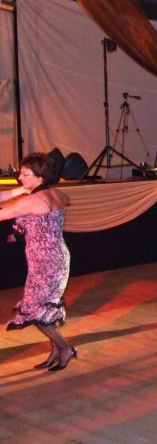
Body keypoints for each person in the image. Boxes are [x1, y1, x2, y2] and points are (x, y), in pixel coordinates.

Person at [0, 153, 76, 371]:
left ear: (39, 175)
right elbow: (45, 215)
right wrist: (21, 190)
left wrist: (23, 195)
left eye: (25, 174)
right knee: (45, 307)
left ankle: (65, 348)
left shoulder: (33, 200)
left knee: (35, 311)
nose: (19, 177)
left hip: (46, 262)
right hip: (56, 257)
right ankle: (55, 351)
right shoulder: (56, 194)